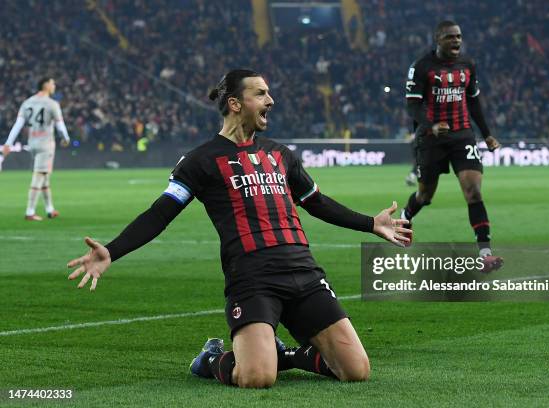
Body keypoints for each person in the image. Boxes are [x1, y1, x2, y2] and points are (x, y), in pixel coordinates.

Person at [67, 69, 412, 388]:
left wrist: (370, 223)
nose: (270, 100)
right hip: (252, 277)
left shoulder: (281, 155)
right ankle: (212, 358)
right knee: (256, 378)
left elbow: (316, 202)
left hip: (304, 272)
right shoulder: (200, 161)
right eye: (260, 94)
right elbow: (160, 214)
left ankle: (284, 355)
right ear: (235, 104)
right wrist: (112, 251)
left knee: (356, 370)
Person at [403, 21, 503, 272]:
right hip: (431, 138)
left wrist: (488, 135)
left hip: (462, 136)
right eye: (450, 37)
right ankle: (405, 217)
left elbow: (474, 102)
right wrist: (431, 125)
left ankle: (486, 254)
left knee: (474, 192)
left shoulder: (468, 65)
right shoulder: (421, 67)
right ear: (438, 39)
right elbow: (412, 105)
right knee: (425, 195)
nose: (456, 41)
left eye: (459, 36)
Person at [2, 77, 70, 221]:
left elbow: (18, 124)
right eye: (52, 83)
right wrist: (66, 138)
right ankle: (30, 211)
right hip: (46, 144)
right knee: (39, 176)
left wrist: (8, 143)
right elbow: (60, 125)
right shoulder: (52, 104)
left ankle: (50, 209)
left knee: (44, 177)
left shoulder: (27, 102)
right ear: (45, 85)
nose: (54, 85)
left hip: (32, 143)